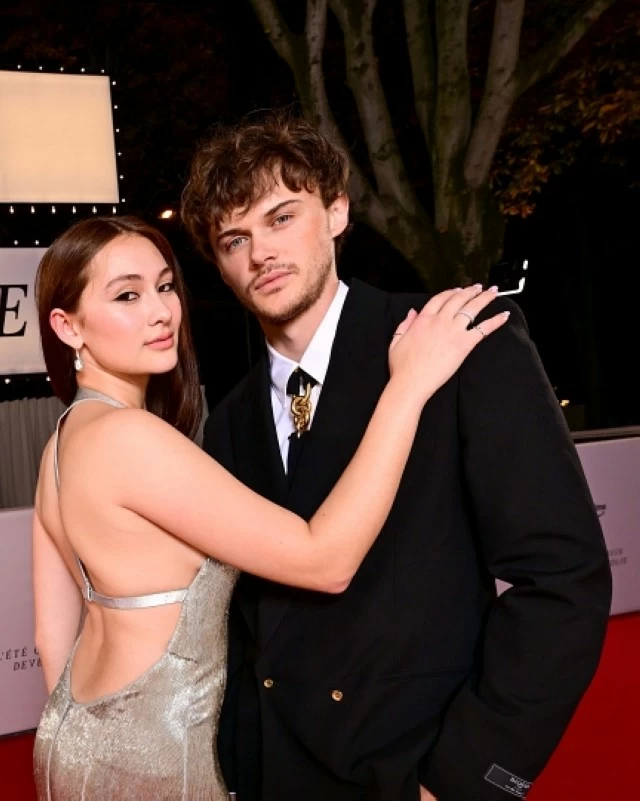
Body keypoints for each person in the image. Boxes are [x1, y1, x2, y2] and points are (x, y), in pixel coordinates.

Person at [180, 111, 612, 801]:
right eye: (235, 237)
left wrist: (462, 780)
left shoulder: (461, 343)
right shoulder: (226, 425)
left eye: (281, 217)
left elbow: (564, 579)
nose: (260, 251)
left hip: (412, 768)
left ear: (337, 211)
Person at [29, 213, 510, 800]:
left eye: (163, 286)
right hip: (156, 759)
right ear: (67, 325)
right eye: (127, 295)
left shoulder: (63, 442)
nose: (160, 311)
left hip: (74, 742)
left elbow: (50, 640)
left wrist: (87, 746)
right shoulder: (131, 439)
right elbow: (324, 559)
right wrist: (407, 388)